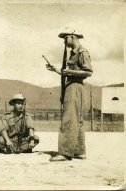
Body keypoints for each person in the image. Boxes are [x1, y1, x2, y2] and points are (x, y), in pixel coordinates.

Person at [46, 27, 93, 161]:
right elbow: (68, 71)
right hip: (72, 85)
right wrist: (57, 70)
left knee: (68, 119)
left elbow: (88, 72)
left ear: (73, 37)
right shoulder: (73, 54)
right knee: (77, 120)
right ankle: (79, 151)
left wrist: (66, 72)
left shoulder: (82, 52)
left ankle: (65, 153)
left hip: (75, 87)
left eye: (65, 38)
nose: (64, 41)